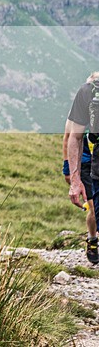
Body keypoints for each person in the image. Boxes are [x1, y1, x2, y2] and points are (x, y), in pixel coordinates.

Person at [66, 72, 99, 264]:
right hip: (93, 167)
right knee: (94, 210)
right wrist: (74, 178)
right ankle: (92, 239)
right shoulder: (88, 92)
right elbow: (72, 137)